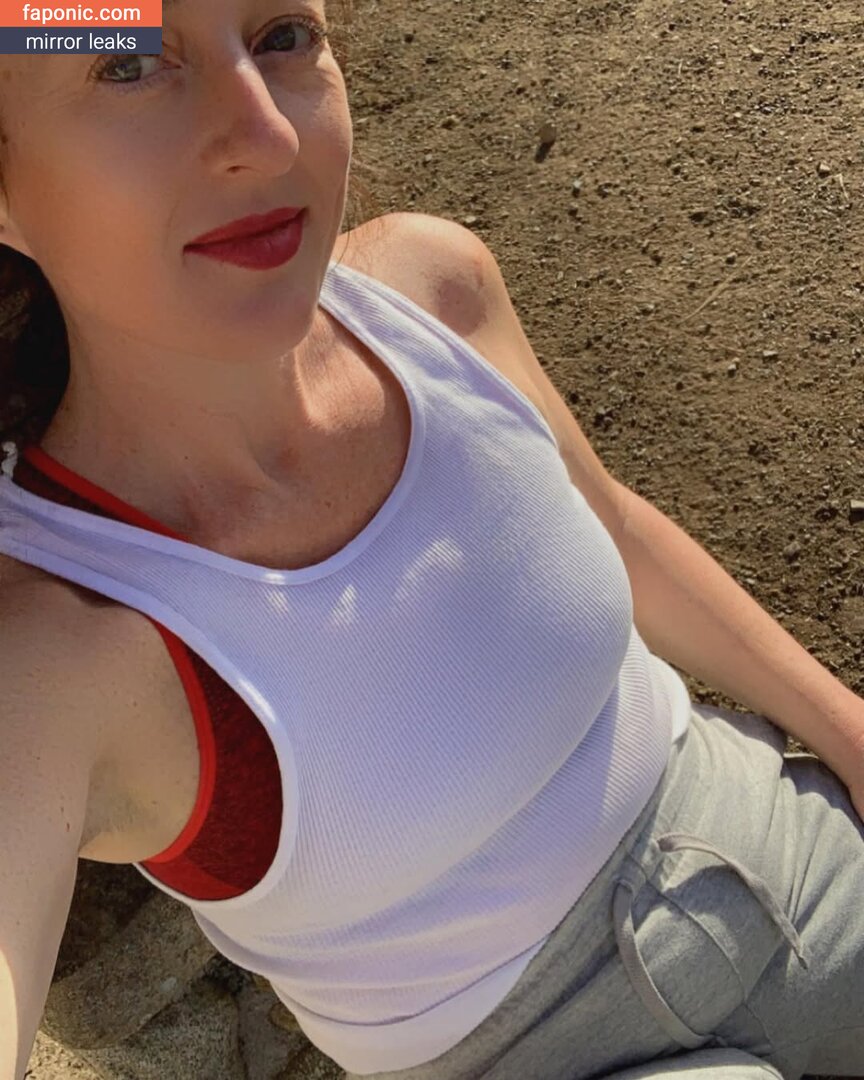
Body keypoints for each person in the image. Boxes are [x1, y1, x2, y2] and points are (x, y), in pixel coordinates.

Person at [0, 2, 862, 1079]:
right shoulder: (51, 643)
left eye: (282, 36)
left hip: (784, 843)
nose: (266, 134)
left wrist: (850, 733)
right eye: (128, 63)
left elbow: (616, 530)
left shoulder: (430, 291)